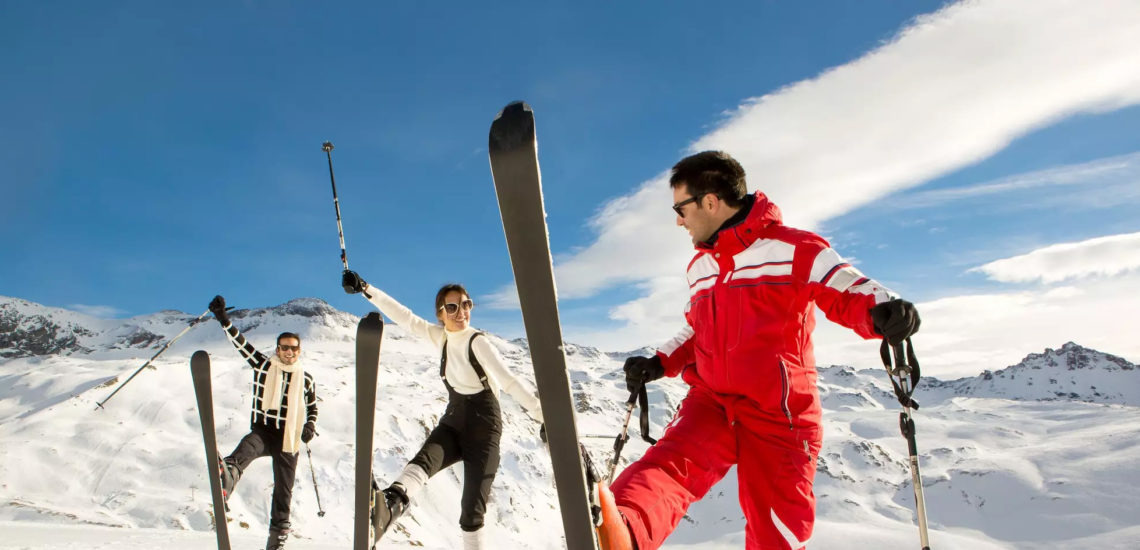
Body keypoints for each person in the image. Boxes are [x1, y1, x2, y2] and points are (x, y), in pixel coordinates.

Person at [594, 151, 921, 550]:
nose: (678, 220)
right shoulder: (701, 266)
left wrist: (883, 310)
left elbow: (846, 287)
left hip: (779, 414)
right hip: (713, 400)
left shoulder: (795, 249)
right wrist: (659, 362)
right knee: (669, 465)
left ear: (710, 201)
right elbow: (697, 329)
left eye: (680, 208)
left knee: (775, 531)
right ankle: (623, 530)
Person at [340, 271, 545, 550]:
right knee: (421, 464)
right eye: (452, 307)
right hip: (454, 421)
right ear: (441, 313)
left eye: (466, 304)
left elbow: (508, 381)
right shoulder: (442, 338)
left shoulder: (478, 341)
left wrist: (542, 414)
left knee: (471, 510)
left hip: (484, 428)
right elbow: (405, 317)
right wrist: (366, 288)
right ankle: (388, 509)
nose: (461, 312)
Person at [208, 295, 318, 550]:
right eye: (284, 347)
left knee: (284, 490)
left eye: (293, 348)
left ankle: (277, 540)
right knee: (248, 446)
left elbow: (312, 407)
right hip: (264, 430)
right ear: (277, 349)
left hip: (288, 438)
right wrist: (223, 319)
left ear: (299, 351)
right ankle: (228, 475)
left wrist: (310, 425)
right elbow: (241, 344)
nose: (288, 352)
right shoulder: (264, 366)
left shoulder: (307, 379)